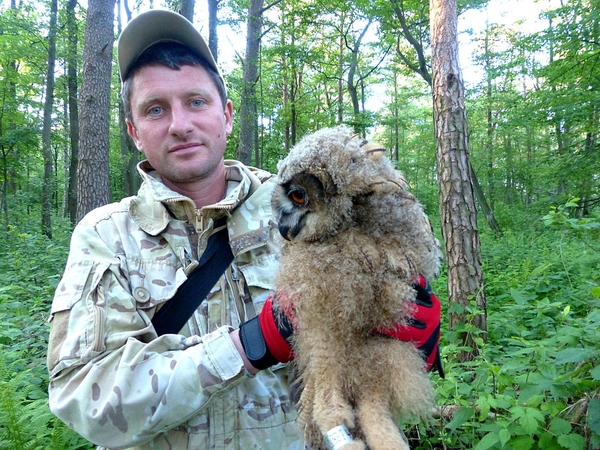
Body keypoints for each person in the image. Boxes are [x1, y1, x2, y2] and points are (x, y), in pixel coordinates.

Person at [46, 9, 442, 450]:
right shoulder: (106, 236)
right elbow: (86, 400)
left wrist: (401, 335)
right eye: (156, 109)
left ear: (227, 114)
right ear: (134, 131)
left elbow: (352, 359)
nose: (180, 124)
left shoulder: (302, 201)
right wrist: (250, 344)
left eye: (196, 102)